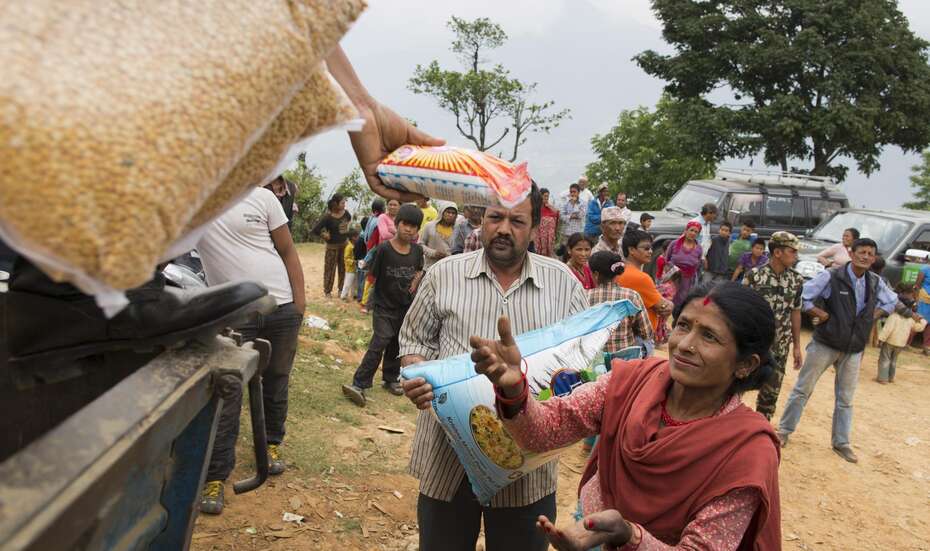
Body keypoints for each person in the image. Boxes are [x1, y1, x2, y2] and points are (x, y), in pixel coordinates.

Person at [469, 282, 781, 550]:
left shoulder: (748, 452)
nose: (684, 345)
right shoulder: (630, 380)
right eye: (684, 325)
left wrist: (629, 536)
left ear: (746, 365)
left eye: (709, 336)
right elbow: (542, 432)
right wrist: (514, 390)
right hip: (589, 530)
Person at [400, 184, 589, 551]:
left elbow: (582, 361)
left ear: (535, 228)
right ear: (481, 221)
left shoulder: (564, 283)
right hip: (447, 459)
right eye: (495, 217)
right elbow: (414, 343)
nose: (504, 228)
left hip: (528, 468)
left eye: (517, 221)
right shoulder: (443, 275)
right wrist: (417, 373)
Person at [197, 186, 306, 514]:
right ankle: (215, 476)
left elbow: (287, 250)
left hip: (280, 307)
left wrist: (299, 304)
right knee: (227, 391)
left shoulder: (263, 197)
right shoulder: (196, 199)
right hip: (233, 315)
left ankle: (272, 445)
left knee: (276, 381)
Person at [777, 238, 898, 463]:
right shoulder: (832, 276)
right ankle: (783, 432)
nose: (865, 256)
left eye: (870, 253)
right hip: (825, 343)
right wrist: (820, 315)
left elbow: (891, 301)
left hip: (854, 349)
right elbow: (803, 298)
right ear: (851, 254)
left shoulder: (875, 282)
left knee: (846, 399)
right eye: (861, 252)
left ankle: (841, 443)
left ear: (874, 258)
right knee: (802, 390)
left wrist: (873, 315)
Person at [342, 204, 425, 406]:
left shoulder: (417, 250)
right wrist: (368, 302)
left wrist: (414, 283)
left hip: (405, 307)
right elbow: (372, 276)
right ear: (397, 224)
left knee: (396, 343)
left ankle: (390, 378)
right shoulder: (384, 249)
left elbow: (419, 270)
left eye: (414, 226)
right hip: (382, 305)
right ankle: (359, 383)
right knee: (380, 341)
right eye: (405, 224)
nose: (409, 229)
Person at [743, 232, 805, 421]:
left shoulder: (796, 280)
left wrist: (796, 346)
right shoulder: (754, 276)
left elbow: (795, 311)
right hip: (754, 344)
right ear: (777, 252)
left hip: (780, 346)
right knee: (738, 385)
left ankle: (760, 431)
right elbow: (741, 309)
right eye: (792, 251)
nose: (795, 256)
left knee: (770, 396)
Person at [588, 251, 653, 353]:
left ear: (596, 274)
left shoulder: (586, 297)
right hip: (625, 359)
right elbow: (646, 332)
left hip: (595, 358)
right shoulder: (631, 296)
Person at [618, 229, 674, 334]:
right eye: (646, 248)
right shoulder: (641, 278)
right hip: (639, 336)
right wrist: (670, 304)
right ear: (631, 250)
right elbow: (663, 306)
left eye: (651, 248)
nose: (651, 252)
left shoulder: (618, 271)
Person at [876, 284, 927, 383]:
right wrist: (922, 320)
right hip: (901, 343)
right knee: (894, 360)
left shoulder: (893, 316)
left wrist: (880, 339)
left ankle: (882, 378)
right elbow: (918, 328)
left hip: (890, 342)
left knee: (885, 359)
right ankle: (891, 378)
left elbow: (887, 329)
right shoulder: (911, 319)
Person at [312, 193, 352, 298]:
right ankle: (327, 291)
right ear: (336, 204)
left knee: (343, 268)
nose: (344, 205)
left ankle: (341, 290)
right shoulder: (327, 217)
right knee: (330, 269)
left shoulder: (346, 214)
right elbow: (315, 230)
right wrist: (324, 235)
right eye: (342, 203)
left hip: (344, 246)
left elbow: (348, 223)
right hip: (332, 248)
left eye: (344, 203)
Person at [664, 221, 703, 307]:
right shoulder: (674, 244)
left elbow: (698, 265)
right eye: (691, 230)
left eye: (696, 232)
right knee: (668, 297)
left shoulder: (699, 249)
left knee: (681, 300)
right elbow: (666, 259)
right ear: (686, 231)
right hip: (673, 277)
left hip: (687, 280)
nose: (693, 233)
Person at [420, 201, 458, 270]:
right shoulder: (429, 226)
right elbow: (420, 245)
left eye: (453, 213)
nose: (450, 215)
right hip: (430, 267)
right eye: (448, 212)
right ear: (442, 212)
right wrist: (433, 253)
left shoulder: (457, 230)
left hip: (448, 268)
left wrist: (448, 256)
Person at [533, 188, 560, 257]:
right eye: (545, 196)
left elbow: (557, 215)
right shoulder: (536, 207)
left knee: (549, 250)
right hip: (539, 234)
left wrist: (550, 206)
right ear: (540, 196)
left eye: (547, 196)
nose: (546, 198)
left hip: (549, 235)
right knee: (539, 251)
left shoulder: (549, 208)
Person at [340, 225, 361, 301]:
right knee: (348, 283)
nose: (358, 238)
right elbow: (346, 258)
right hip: (350, 269)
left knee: (354, 283)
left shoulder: (353, 245)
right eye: (357, 236)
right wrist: (353, 262)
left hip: (354, 268)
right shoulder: (349, 247)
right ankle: (343, 296)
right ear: (353, 238)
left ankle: (353, 295)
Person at [916, 259, 930, 356]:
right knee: (918, 320)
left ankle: (926, 346)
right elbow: (917, 286)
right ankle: (906, 343)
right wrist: (916, 300)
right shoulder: (924, 269)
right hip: (923, 298)